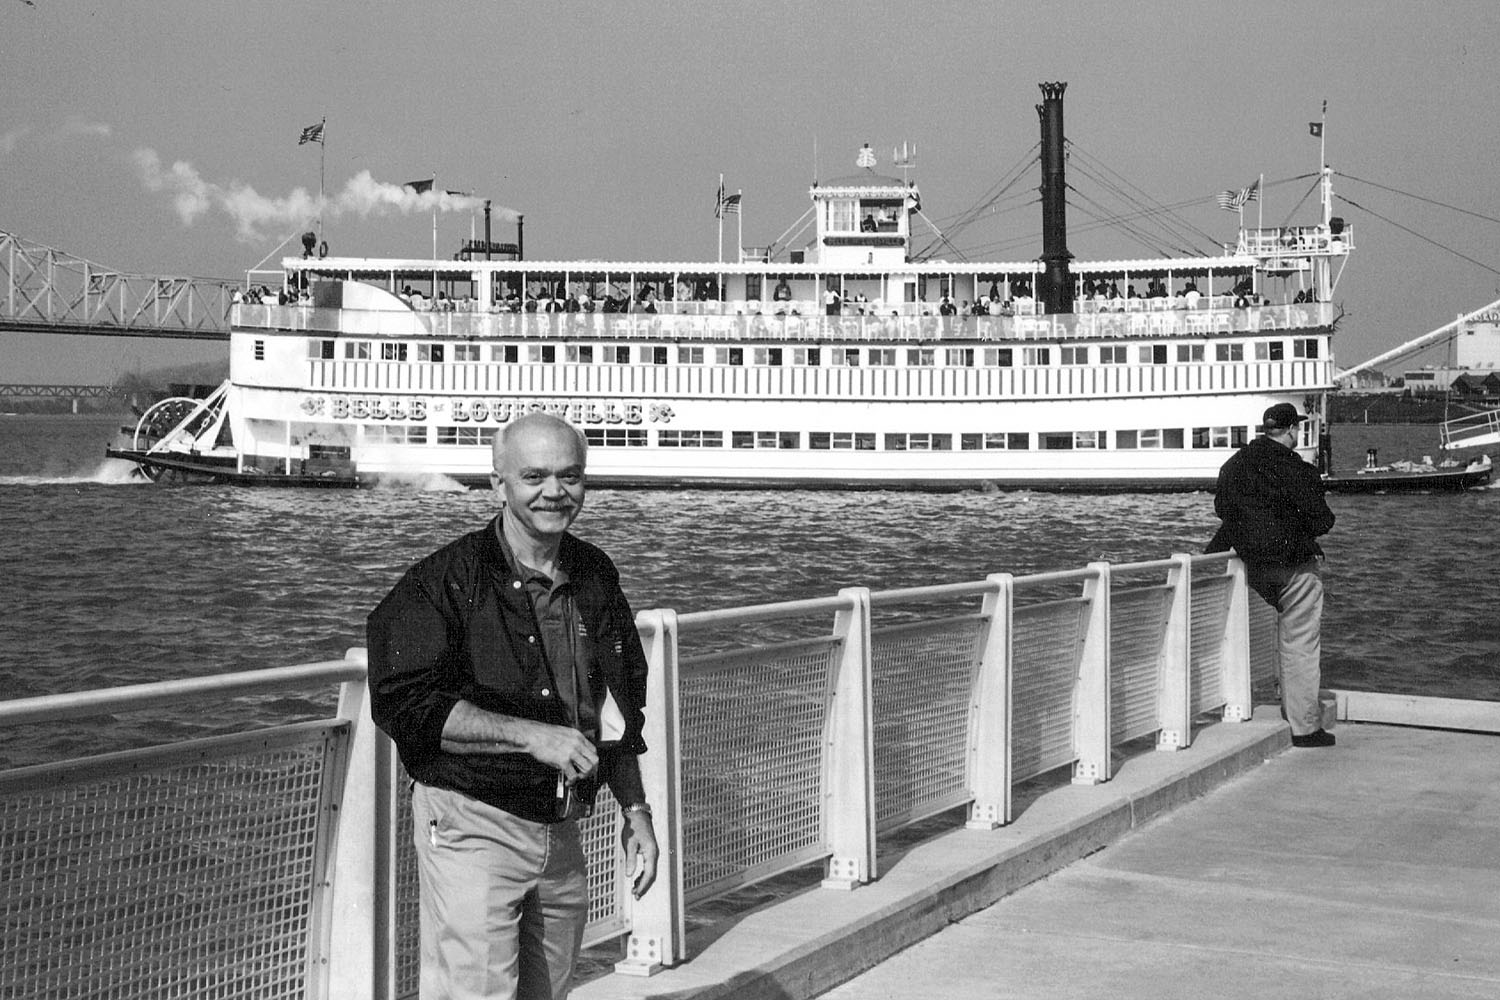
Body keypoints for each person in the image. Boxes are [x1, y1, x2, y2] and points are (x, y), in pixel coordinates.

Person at [367, 413, 660, 999]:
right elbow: (405, 703)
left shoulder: (595, 574)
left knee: (548, 992)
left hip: (562, 825)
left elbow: (617, 708)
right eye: (534, 476)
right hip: (472, 821)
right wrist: (531, 736)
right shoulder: (443, 580)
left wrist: (636, 810)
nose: (555, 492)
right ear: (498, 484)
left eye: (570, 476)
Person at [1206, 403, 1337, 748]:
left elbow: (1223, 509)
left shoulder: (1234, 466)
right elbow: (1323, 521)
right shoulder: (1299, 470)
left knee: (1230, 633)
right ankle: (1304, 727)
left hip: (1247, 566)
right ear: (1292, 429)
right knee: (1299, 641)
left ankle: (1223, 702)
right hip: (1292, 564)